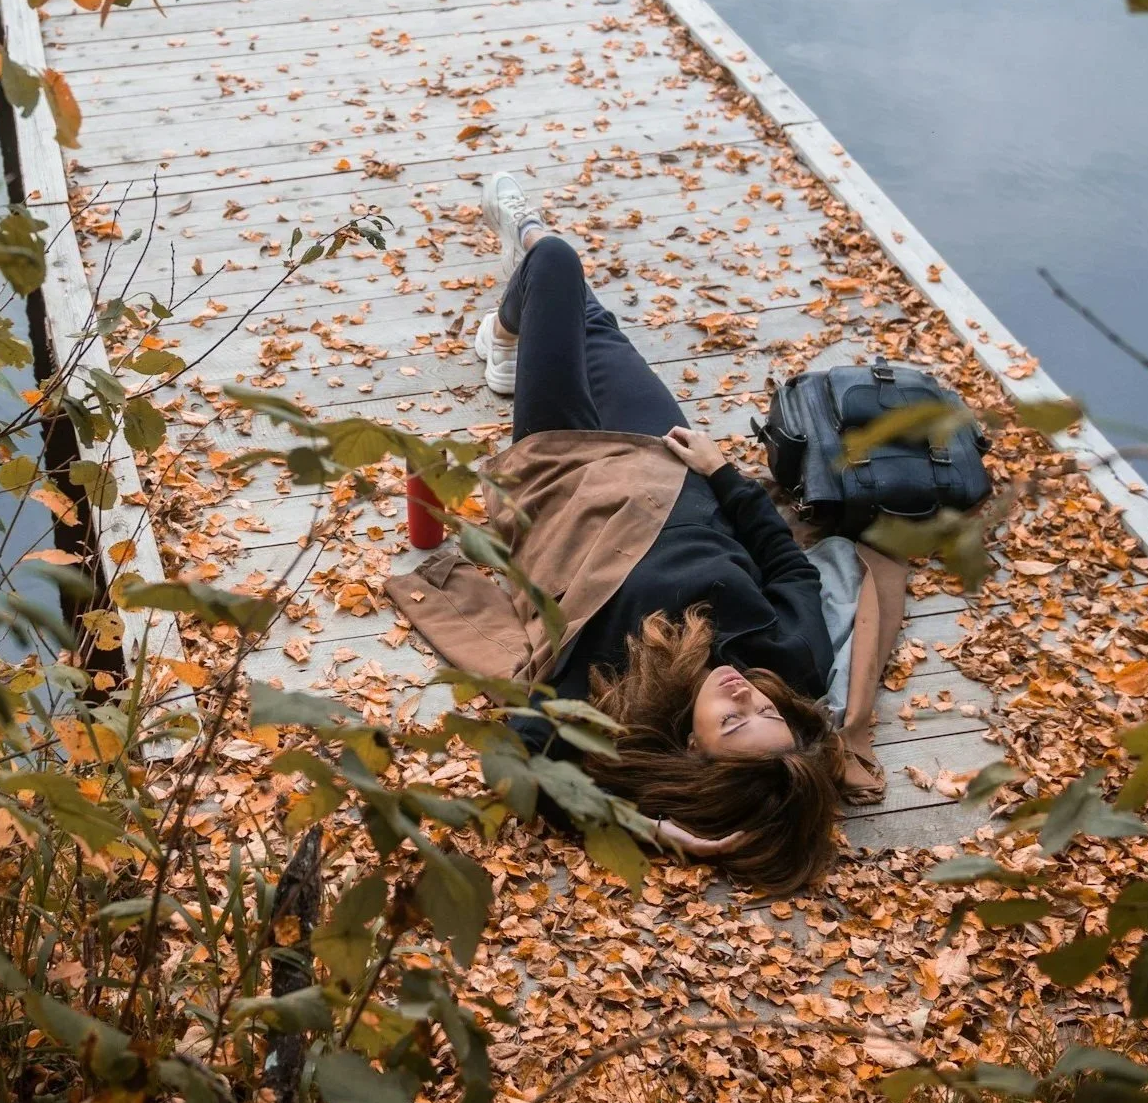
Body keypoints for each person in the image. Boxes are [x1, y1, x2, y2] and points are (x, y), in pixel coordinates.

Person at [387, 173, 903, 895]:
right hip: (664, 464)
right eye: (764, 709)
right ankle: (511, 333)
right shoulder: (789, 664)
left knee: (558, 262)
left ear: (694, 748)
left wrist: (647, 825)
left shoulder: (610, 706)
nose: (746, 694)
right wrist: (724, 473)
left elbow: (513, 750)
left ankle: (515, 317)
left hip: (565, 475)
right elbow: (791, 569)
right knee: (591, 323)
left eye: (734, 720)